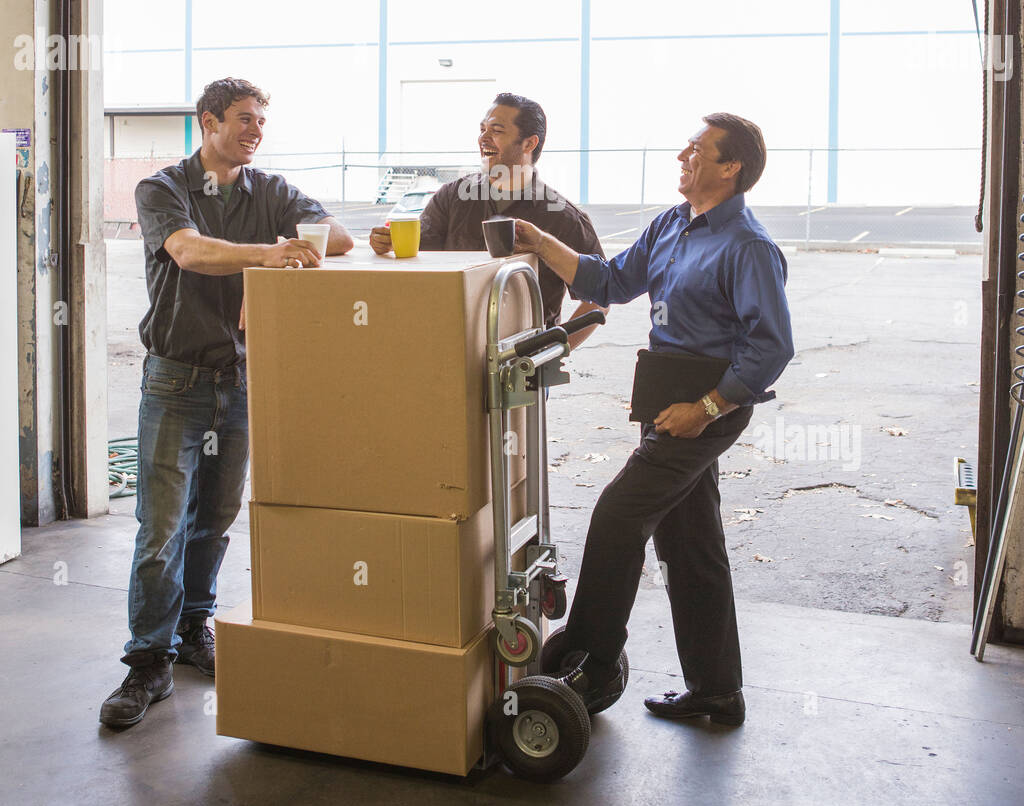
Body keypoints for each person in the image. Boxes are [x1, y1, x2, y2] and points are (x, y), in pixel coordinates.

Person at [513, 113, 793, 724]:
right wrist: (538, 241)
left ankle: (592, 657)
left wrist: (707, 409)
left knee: (618, 514)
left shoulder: (747, 245)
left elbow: (770, 348)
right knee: (690, 545)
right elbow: (610, 282)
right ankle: (718, 692)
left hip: (705, 408)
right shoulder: (672, 224)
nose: (681, 157)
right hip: (666, 399)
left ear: (730, 167)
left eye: (696, 150)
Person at [99, 78, 354, 729]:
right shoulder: (165, 187)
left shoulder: (269, 191)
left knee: (213, 520)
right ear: (208, 120)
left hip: (238, 383)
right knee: (161, 527)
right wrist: (272, 256)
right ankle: (147, 661)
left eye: (262, 121)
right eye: (244, 119)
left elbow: (338, 237)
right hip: (175, 382)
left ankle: (191, 630)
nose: (256, 131)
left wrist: (314, 243)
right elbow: (187, 252)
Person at [370, 93, 606, 341]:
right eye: (482, 129)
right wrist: (388, 245)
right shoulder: (452, 198)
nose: (483, 138)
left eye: (496, 130)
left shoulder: (562, 217)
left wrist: (555, 349)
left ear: (529, 143)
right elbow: (418, 259)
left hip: (522, 366)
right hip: (452, 347)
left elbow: (600, 296)